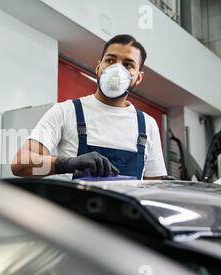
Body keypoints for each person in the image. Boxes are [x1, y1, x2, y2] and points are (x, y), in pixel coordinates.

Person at [11, 34, 167, 180]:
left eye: (128, 64)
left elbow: (154, 186)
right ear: (98, 67)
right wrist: (69, 163)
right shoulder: (66, 111)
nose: (117, 70)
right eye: (110, 61)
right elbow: (21, 164)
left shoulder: (148, 125)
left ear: (138, 77)